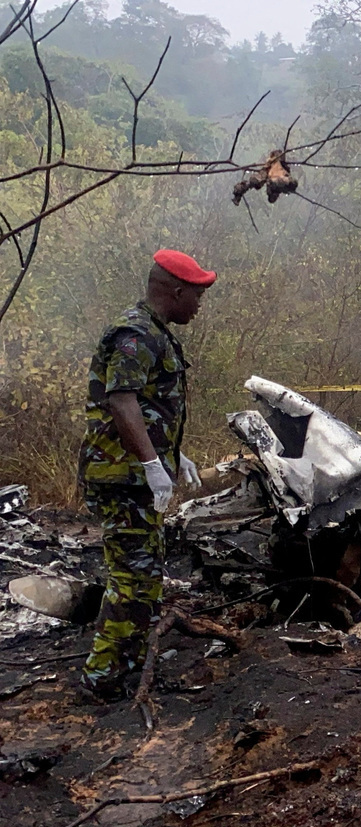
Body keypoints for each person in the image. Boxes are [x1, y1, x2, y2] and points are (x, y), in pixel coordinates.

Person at [78, 249, 214, 701]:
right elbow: (122, 401)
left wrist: (175, 455)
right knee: (132, 582)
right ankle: (101, 681)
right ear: (175, 291)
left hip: (135, 474)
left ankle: (131, 670)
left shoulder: (155, 333)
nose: (199, 306)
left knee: (147, 576)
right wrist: (152, 465)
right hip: (123, 477)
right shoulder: (135, 334)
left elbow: (150, 407)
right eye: (196, 295)